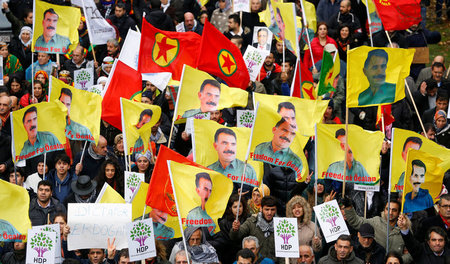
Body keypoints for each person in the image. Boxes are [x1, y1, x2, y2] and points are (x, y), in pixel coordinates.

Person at [343, 199, 412, 263]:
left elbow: (412, 253)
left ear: (399, 213)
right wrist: (348, 207)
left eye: (394, 210)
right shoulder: (376, 222)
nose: (390, 213)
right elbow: (356, 222)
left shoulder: (405, 229)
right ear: (384, 210)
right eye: (388, 209)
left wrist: (397, 261)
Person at [230, 196, 278, 261]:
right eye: (267, 209)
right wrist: (235, 230)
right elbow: (236, 236)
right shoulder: (251, 222)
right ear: (261, 209)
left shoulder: (281, 225)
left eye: (272, 210)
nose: (269, 213)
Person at [286, 196, 322, 260]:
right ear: (290, 211)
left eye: (299, 207)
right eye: (293, 208)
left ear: (304, 208)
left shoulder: (313, 226)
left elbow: (317, 250)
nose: (297, 209)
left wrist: (317, 243)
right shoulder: (286, 226)